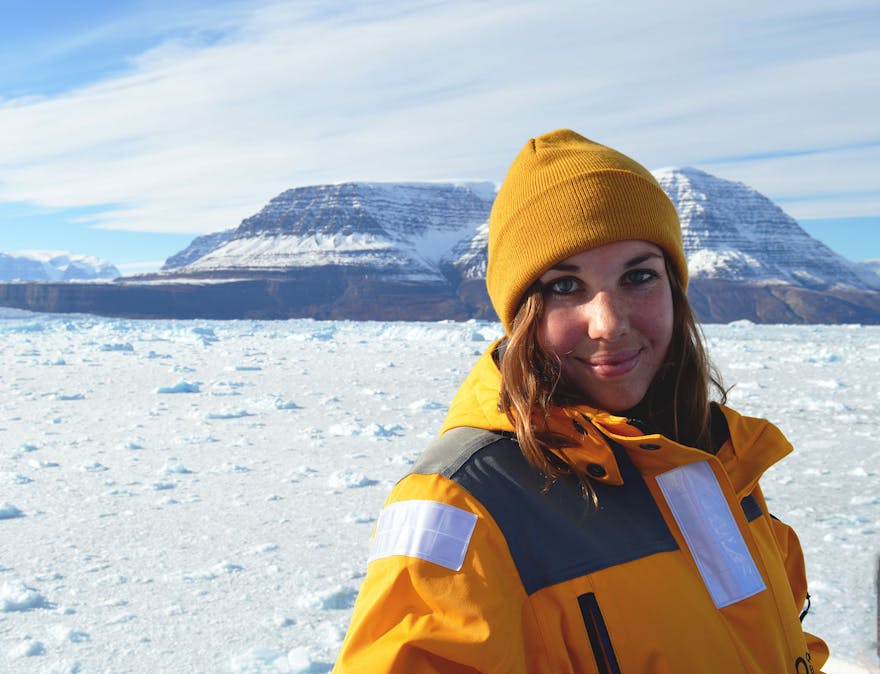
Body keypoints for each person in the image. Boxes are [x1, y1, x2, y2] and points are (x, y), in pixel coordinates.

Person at [333, 129, 829, 673]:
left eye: (639, 276)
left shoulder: (712, 452)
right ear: (522, 313)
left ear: (674, 289)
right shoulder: (463, 505)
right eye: (564, 288)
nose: (610, 324)